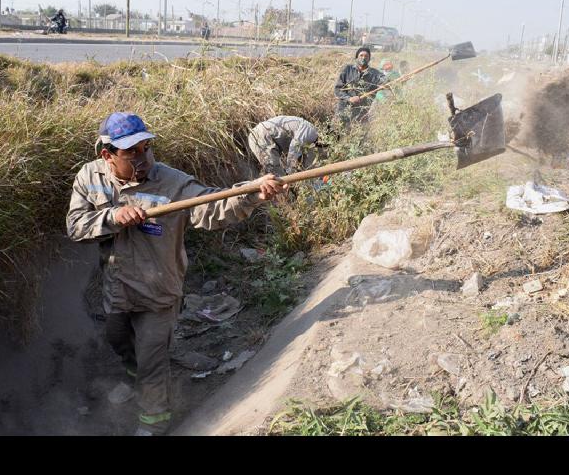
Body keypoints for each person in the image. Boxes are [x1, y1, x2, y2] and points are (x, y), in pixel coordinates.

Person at [66, 112, 288, 436]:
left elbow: (212, 206)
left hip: (159, 290)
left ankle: (153, 424)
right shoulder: (90, 177)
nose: (143, 159)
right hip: (117, 288)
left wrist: (252, 192)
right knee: (119, 340)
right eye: (132, 153)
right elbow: (75, 226)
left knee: (152, 358)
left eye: (146, 148)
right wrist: (114, 217)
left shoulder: (172, 182)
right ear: (107, 155)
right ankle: (134, 377)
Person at [247, 115, 323, 177]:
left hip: (264, 136)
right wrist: (290, 171)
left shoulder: (310, 138)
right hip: (260, 136)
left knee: (277, 176)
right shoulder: (311, 132)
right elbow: (294, 148)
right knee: (277, 176)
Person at [333, 46, 387, 126]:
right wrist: (349, 98)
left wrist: (386, 84)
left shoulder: (375, 74)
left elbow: (386, 81)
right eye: (361, 55)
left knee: (359, 136)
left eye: (366, 56)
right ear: (357, 57)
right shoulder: (348, 69)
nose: (363, 58)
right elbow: (338, 89)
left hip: (361, 114)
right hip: (343, 110)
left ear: (369, 59)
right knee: (336, 132)